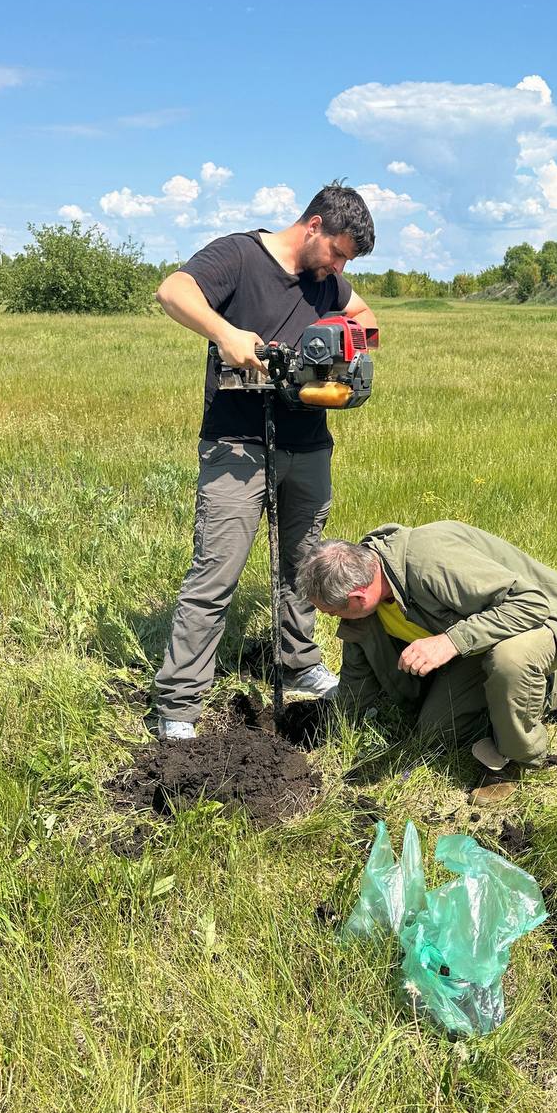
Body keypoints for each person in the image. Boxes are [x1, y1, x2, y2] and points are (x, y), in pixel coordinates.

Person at [152, 183, 378, 739]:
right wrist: (225, 332)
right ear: (314, 226)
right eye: (338, 252)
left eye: (347, 260)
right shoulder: (239, 256)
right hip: (238, 445)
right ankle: (180, 703)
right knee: (217, 571)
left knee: (303, 565)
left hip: (309, 444)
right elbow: (172, 290)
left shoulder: (327, 281)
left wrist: (350, 346)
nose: (339, 267)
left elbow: (365, 315)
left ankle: (299, 663)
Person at [296, 520, 557, 800]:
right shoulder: (368, 593)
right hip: (483, 636)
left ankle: (518, 753)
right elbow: (357, 678)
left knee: (509, 661)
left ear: (358, 598)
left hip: (546, 615)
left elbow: (530, 603)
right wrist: (335, 727)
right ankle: (533, 691)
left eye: (333, 612)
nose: (332, 619)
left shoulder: (430, 563)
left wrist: (451, 642)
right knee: (436, 731)